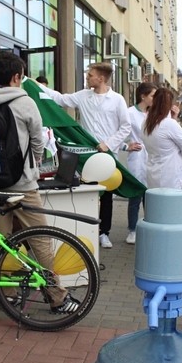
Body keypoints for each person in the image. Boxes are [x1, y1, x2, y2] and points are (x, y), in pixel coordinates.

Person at [0, 51, 80, 313]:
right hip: (22, 186)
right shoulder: (25, 102)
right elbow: (38, 142)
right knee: (40, 239)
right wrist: (32, 169)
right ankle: (57, 297)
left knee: (1, 240)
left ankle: (7, 293)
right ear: (16, 76)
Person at [39, 63, 130, 248]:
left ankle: (104, 232)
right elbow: (61, 99)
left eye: (90, 75)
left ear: (101, 78)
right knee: (86, 192)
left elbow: (126, 126)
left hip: (107, 154)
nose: (87, 77)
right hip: (87, 154)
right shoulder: (83, 96)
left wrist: (108, 143)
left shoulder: (117, 100)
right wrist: (36, 85)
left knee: (106, 194)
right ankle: (86, 229)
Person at [142, 88, 182, 190]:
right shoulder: (170, 124)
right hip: (172, 176)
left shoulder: (146, 123)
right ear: (170, 104)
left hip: (153, 174)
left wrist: (173, 118)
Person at [122, 82, 156, 244]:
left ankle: (150, 228)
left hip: (152, 157)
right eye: (152, 95)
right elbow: (119, 132)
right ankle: (132, 230)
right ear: (143, 96)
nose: (155, 99)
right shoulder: (129, 113)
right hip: (137, 157)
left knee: (150, 196)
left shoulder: (154, 113)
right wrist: (126, 146)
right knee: (135, 195)